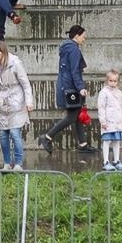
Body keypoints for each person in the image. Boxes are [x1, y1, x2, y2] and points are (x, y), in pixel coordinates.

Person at [40, 25, 91, 155]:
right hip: (71, 87)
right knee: (72, 117)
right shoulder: (74, 49)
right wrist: (80, 88)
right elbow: (75, 71)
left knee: (78, 114)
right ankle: (47, 137)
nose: (84, 39)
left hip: (65, 85)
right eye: (83, 36)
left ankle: (83, 144)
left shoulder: (67, 47)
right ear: (77, 36)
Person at [0, 43, 33, 171]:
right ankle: (7, 163)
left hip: (16, 103)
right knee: (3, 135)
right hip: (2, 104)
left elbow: (25, 84)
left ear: (3, 52)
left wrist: (29, 101)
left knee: (15, 133)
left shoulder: (15, 63)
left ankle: (19, 163)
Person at [96, 69, 122, 171]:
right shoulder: (104, 93)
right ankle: (106, 161)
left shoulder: (119, 93)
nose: (113, 83)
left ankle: (116, 160)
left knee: (116, 141)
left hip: (118, 122)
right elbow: (101, 107)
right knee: (107, 141)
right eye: (110, 81)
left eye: (115, 81)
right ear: (107, 81)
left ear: (117, 82)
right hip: (108, 122)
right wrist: (103, 121)